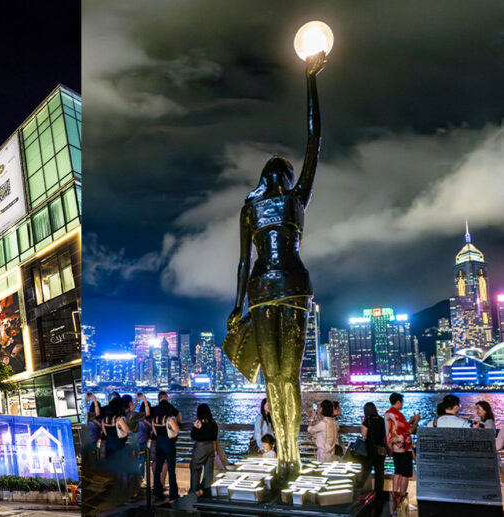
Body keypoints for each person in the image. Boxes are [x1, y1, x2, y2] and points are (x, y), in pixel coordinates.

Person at [224, 51, 328, 482]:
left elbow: (243, 262)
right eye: (284, 170)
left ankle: (289, 456)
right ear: (284, 174)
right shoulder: (291, 199)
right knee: (287, 377)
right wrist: (310, 80)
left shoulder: (252, 207)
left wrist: (236, 306)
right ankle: (289, 457)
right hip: (289, 287)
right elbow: (314, 141)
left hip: (264, 291)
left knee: (277, 379)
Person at [385, 392, 420, 514]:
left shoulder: (388, 414)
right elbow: (409, 430)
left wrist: (409, 421)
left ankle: (395, 496)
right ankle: (402, 496)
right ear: (398, 402)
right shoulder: (398, 415)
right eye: (402, 402)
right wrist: (416, 421)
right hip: (403, 447)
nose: (402, 404)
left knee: (398, 471)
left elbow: (399, 428)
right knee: (405, 473)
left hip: (394, 447)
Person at [152, 400, 180, 502]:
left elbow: (155, 432)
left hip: (159, 444)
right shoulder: (168, 419)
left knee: (157, 469)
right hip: (169, 445)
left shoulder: (155, 419)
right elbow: (176, 430)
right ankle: (173, 495)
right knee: (171, 471)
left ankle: (156, 492)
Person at [190, 404, 219, 496]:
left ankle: (194, 491)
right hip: (211, 446)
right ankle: (206, 491)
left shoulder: (199, 422)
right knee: (208, 469)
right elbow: (215, 435)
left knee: (195, 468)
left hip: (201, 447)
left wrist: (195, 428)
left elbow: (194, 436)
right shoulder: (213, 422)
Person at [360, 402, 387, 497]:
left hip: (370, 450)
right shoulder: (382, 420)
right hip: (381, 450)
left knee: (365, 471)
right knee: (379, 473)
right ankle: (379, 493)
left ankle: (360, 491)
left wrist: (362, 423)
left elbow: (363, 435)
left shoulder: (367, 421)